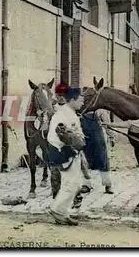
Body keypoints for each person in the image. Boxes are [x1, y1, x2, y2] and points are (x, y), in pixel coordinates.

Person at [46, 85, 86, 225]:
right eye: (81, 100)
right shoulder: (63, 115)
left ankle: (61, 210)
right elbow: (60, 133)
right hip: (64, 152)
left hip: (70, 152)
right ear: (73, 100)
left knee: (74, 183)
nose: (83, 102)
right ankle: (58, 211)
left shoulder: (69, 113)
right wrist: (75, 142)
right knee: (71, 183)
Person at [80, 108, 114, 194]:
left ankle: (108, 185)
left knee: (103, 161)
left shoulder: (100, 110)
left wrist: (111, 136)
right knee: (85, 161)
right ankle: (86, 184)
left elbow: (107, 124)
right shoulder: (79, 109)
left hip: (99, 138)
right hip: (85, 138)